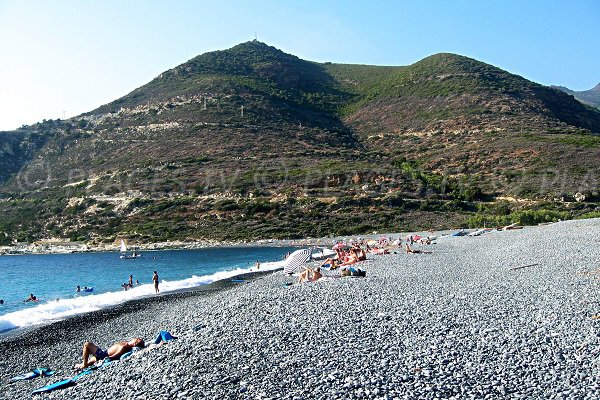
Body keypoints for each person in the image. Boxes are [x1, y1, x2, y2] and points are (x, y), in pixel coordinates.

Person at [74, 337, 145, 370]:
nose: (135, 338)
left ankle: (84, 365)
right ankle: (82, 365)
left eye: (136, 339)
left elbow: (116, 354)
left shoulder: (125, 346)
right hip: (104, 353)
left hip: (104, 355)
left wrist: (109, 358)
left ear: (135, 342)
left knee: (87, 344)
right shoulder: (126, 345)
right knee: (91, 360)